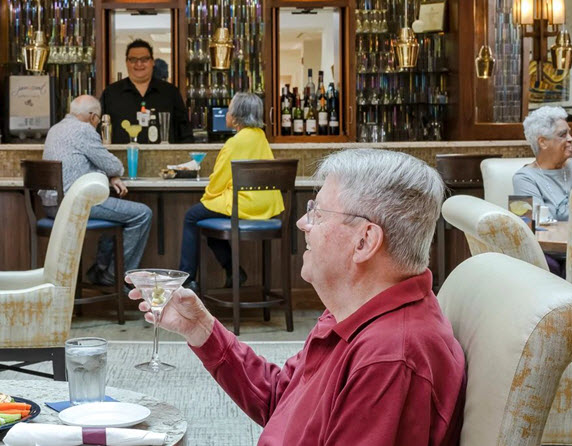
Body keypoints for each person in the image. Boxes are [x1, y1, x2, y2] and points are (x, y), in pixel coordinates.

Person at [133, 149, 465, 446]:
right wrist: (201, 329)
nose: (302, 222)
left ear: (364, 241)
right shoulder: (352, 311)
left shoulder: (390, 359)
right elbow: (281, 399)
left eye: (318, 213)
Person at [43, 95, 153, 286]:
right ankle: (116, 276)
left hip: (51, 206)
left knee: (114, 214)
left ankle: (101, 269)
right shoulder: (84, 130)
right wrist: (113, 174)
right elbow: (112, 164)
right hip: (73, 205)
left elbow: (90, 163)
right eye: (98, 119)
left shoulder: (55, 128)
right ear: (93, 117)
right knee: (142, 214)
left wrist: (108, 173)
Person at [178, 92, 279, 291]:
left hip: (242, 205)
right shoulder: (261, 138)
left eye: (229, 108)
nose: (226, 113)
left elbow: (218, 181)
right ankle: (233, 271)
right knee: (207, 220)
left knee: (193, 216)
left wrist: (208, 197)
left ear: (236, 115)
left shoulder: (235, 142)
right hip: (266, 206)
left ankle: (188, 279)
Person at [513, 105, 572, 223]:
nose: (571, 138)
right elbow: (529, 226)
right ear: (543, 142)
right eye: (563, 135)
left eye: (569, 133)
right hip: (549, 241)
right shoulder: (523, 179)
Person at [100, 39, 190, 143]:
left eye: (144, 59)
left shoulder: (170, 92)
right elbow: (99, 132)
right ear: (126, 63)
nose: (139, 64)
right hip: (120, 158)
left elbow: (185, 133)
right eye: (133, 59)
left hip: (164, 158)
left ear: (152, 62)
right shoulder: (111, 93)